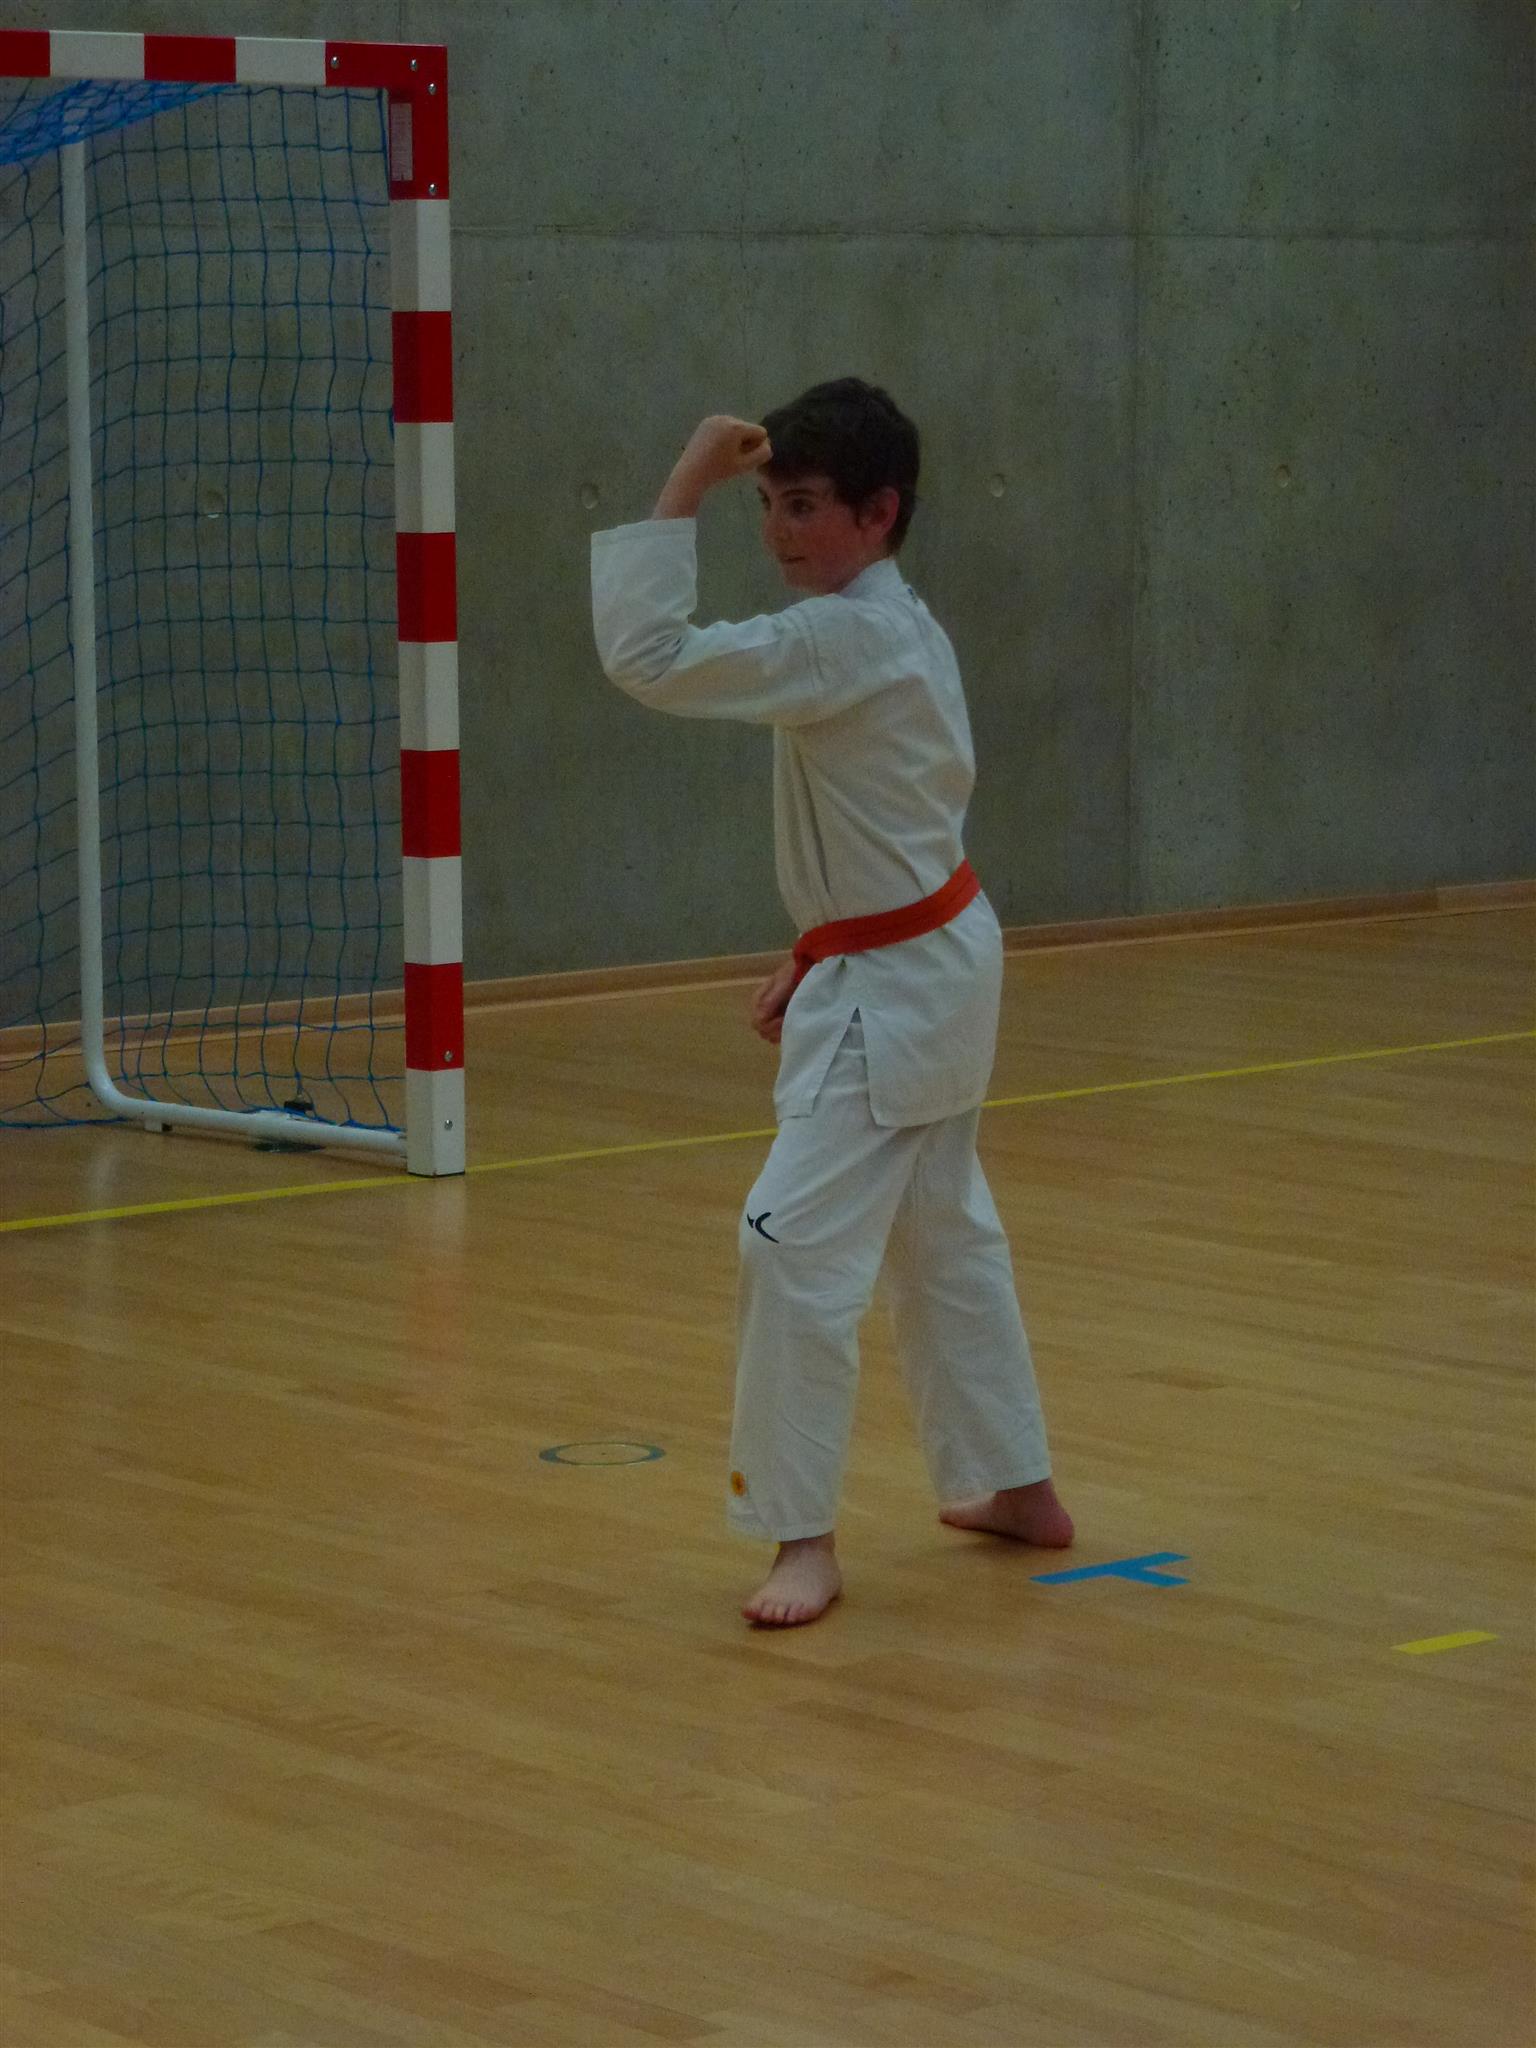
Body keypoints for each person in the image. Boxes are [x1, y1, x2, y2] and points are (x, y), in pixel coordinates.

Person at [590, 378, 1073, 1627]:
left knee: (787, 1240)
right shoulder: (894, 624)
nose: (778, 532)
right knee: (941, 1231)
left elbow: (647, 657)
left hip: (902, 984)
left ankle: (801, 1535)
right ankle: (1018, 1484)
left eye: (802, 505)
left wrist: (686, 480)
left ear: (878, 512)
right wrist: (821, 948)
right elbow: (890, 826)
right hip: (921, 950)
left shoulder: (844, 639)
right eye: (764, 504)